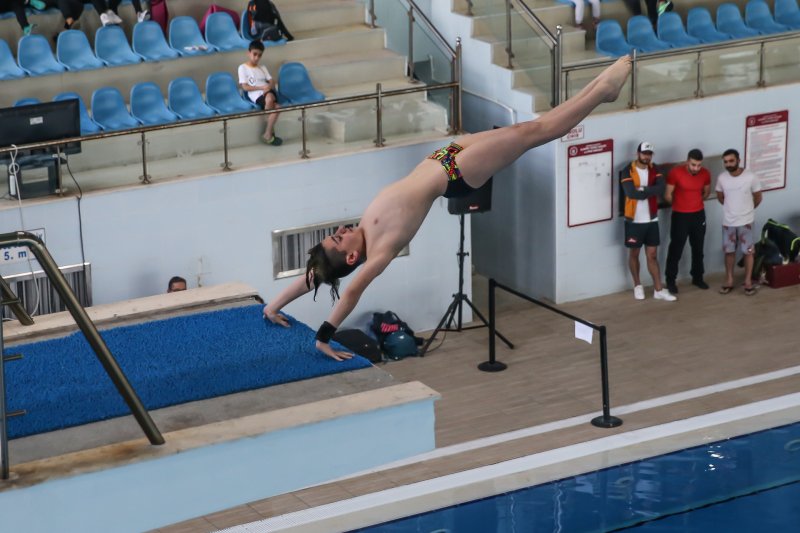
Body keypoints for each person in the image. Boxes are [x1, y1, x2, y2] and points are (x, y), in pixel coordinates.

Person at [262, 57, 633, 360]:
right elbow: (351, 292)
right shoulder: (379, 250)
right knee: (533, 135)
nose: (341, 231)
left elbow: (315, 274)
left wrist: (273, 305)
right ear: (352, 255)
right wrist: (323, 338)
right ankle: (602, 91)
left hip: (445, 155)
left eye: (335, 234)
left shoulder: (362, 231)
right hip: (455, 174)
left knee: (531, 128)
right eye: (339, 240)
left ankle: (600, 87)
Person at [620, 142, 676, 301]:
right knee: (634, 253)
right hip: (633, 220)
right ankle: (637, 285)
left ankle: (658, 289)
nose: (646, 156)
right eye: (644, 153)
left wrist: (643, 190)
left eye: (649, 154)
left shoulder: (654, 169)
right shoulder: (628, 170)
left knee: (652, 255)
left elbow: (660, 188)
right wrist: (649, 191)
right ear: (638, 153)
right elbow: (631, 193)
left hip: (651, 219)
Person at [715, 149, 762, 296]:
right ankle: (729, 280)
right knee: (729, 252)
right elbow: (720, 196)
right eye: (725, 162)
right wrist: (731, 209)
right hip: (728, 222)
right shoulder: (722, 178)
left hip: (746, 222)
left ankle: (748, 282)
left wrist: (747, 210)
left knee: (748, 252)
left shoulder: (751, 177)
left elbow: (758, 197)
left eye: (731, 161)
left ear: (738, 161)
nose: (728, 164)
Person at [664, 148, 711, 294]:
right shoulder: (675, 173)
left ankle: (698, 277)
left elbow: (706, 192)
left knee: (698, 248)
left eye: (699, 165)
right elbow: (668, 195)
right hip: (680, 216)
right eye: (693, 165)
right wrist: (680, 205)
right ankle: (670, 280)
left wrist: (695, 203)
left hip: (698, 215)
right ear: (687, 162)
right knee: (676, 249)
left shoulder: (705, 173)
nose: (696, 168)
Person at [238, 40, 283, 146]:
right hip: (256, 95)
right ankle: (268, 132)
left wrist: (268, 87)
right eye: (254, 54)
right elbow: (245, 87)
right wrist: (261, 87)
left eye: (259, 55)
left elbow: (271, 81)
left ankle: (267, 133)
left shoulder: (262, 68)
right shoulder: (242, 68)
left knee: (270, 97)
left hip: (268, 92)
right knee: (277, 107)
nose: (257, 58)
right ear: (248, 53)